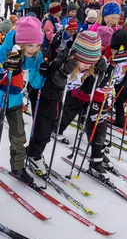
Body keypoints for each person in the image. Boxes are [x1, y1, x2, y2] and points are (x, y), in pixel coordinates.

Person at [27, 31, 103, 177]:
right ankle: (34, 156)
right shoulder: (61, 62)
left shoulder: (87, 68)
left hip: (59, 99)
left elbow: (88, 89)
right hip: (43, 96)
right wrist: (61, 74)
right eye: (85, 61)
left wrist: (101, 74)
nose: (87, 66)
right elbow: (50, 91)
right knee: (43, 131)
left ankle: (33, 151)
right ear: (76, 56)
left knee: (50, 128)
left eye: (91, 63)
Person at [0, 17, 44, 183]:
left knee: (19, 135)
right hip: (0, 99)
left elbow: (36, 83)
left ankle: (18, 167)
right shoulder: (4, 51)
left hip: (16, 100)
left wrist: (42, 72)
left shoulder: (36, 57)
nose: (33, 49)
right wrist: (6, 68)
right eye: (30, 45)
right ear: (21, 41)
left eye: (37, 45)